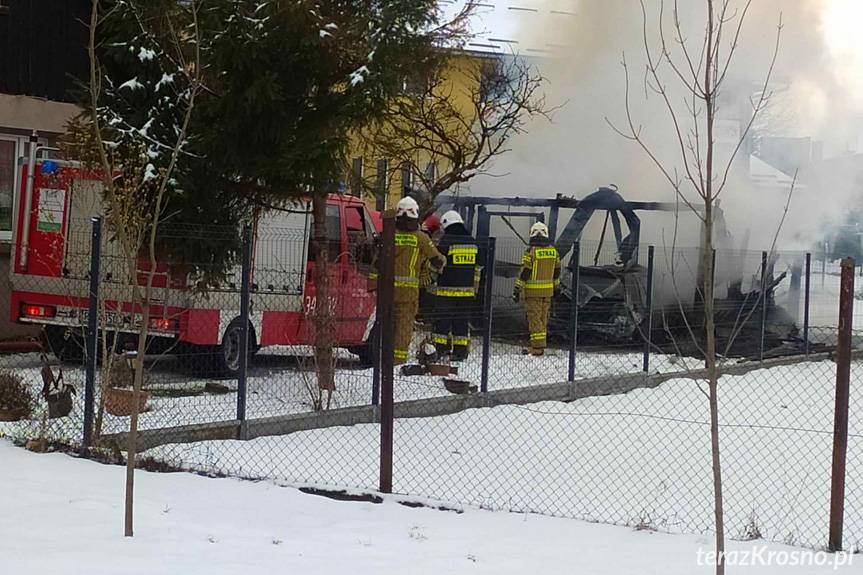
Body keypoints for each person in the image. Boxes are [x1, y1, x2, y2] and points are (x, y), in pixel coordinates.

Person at [392, 196, 445, 365]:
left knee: (386, 324)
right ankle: (398, 362)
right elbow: (437, 260)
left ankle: (383, 358)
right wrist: (432, 271)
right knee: (404, 327)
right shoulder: (421, 237)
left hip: (387, 290)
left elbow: (376, 262)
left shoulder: (388, 234)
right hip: (409, 291)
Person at [432, 210, 484, 361]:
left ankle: (440, 351)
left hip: (446, 292)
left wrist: (432, 278)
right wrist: (474, 288)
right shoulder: (472, 242)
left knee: (443, 323)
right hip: (467, 293)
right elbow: (478, 267)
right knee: (461, 323)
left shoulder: (447, 241)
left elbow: (438, 263)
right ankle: (460, 352)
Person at [513, 222, 561, 356]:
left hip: (533, 292)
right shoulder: (554, 252)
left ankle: (537, 348)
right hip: (548, 292)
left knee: (534, 320)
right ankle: (539, 345)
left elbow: (525, 271)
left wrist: (517, 288)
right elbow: (557, 272)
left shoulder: (531, 251)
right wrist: (556, 288)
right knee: (542, 319)